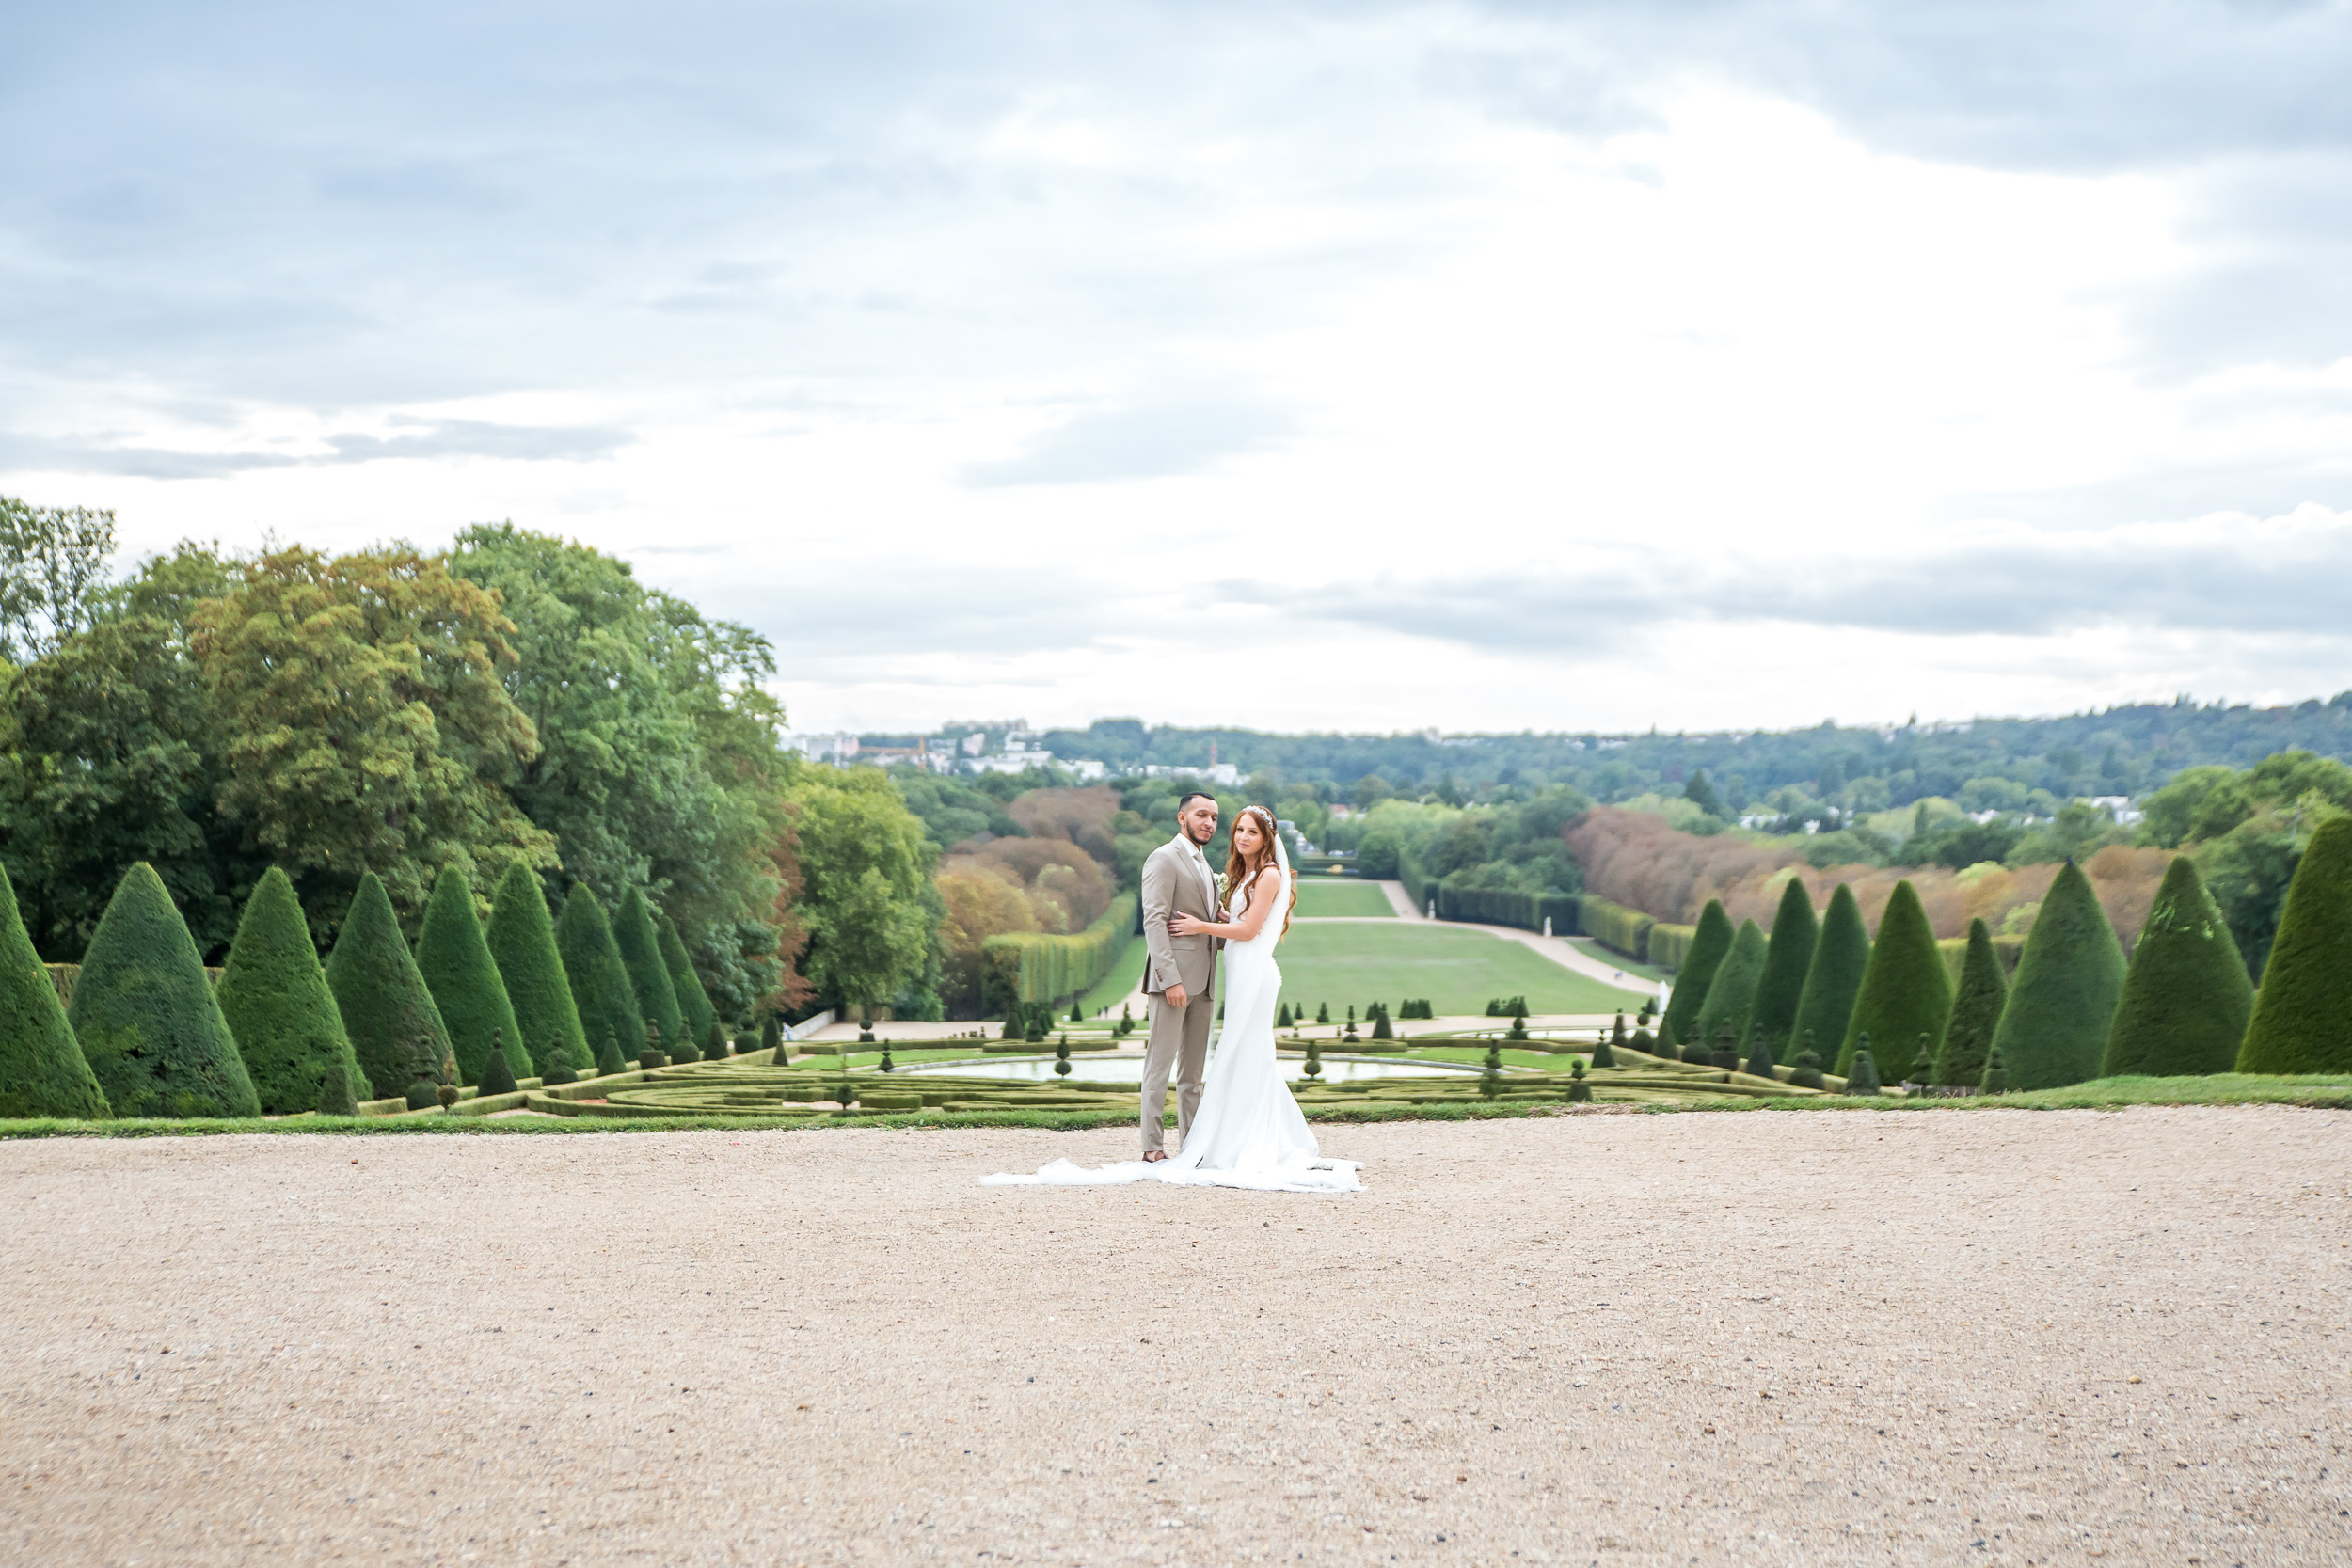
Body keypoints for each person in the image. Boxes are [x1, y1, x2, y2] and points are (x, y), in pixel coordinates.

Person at [983, 804, 1361, 1194]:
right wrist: (1171, 977)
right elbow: (1155, 921)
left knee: (1231, 1060)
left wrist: (1202, 925)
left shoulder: (1258, 873)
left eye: (1249, 830)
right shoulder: (1168, 859)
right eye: (1236, 828)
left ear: (1267, 838)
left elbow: (1247, 930)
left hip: (1236, 978)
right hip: (1188, 979)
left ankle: (1203, 1145)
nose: (1233, 833)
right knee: (1179, 1063)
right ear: (1183, 818)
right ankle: (1154, 1148)